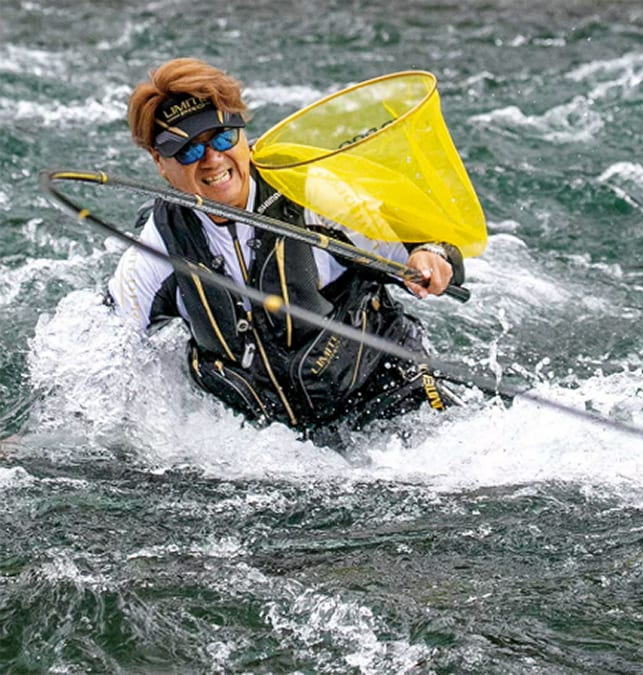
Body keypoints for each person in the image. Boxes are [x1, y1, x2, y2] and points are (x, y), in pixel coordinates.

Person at [107, 57, 465, 444]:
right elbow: (110, 341)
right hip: (277, 446)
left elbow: (424, 247)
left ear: (243, 134)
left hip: (389, 395)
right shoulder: (159, 246)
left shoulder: (312, 195)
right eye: (188, 150)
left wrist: (431, 257)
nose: (212, 159)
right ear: (160, 163)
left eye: (222, 138)